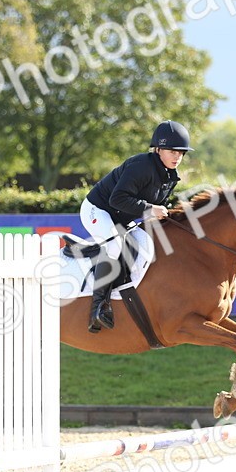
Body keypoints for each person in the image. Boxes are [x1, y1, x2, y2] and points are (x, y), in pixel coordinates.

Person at [81, 119, 193, 332]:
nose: (177, 156)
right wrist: (150, 209)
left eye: (181, 152)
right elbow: (117, 200)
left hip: (122, 218)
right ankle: (97, 309)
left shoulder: (170, 177)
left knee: (143, 248)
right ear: (158, 149)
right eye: (172, 151)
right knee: (114, 246)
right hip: (98, 210)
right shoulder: (141, 166)